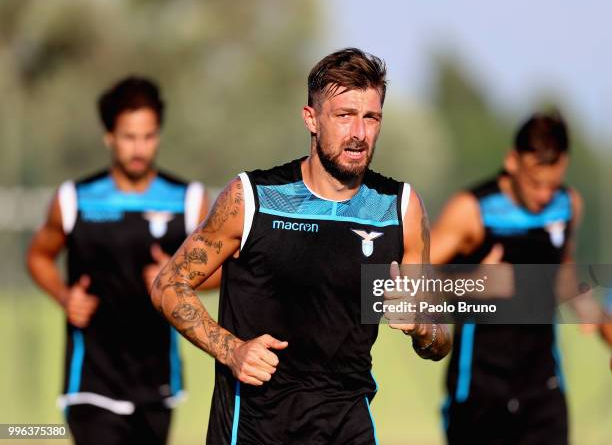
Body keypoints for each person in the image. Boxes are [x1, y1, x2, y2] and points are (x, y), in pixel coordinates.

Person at [151, 48, 451, 444]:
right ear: (311, 118)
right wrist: (231, 350)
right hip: (255, 429)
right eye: (344, 116)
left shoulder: (400, 209)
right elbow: (168, 285)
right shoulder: (251, 199)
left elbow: (440, 338)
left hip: (349, 426)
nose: (358, 133)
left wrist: (420, 327)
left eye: (371, 117)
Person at [26, 76, 217, 445]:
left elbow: (221, 272)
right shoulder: (75, 199)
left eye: (148, 137)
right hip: (91, 380)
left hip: (157, 379)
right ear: (109, 137)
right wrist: (65, 297)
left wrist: (175, 280)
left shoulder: (188, 201)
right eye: (129, 137)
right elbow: (38, 256)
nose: (139, 148)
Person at [431, 112, 585, 444]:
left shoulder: (567, 205)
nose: (545, 195)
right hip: (480, 393)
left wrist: (601, 324)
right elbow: (405, 283)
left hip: (543, 390)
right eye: (535, 182)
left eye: (553, 183)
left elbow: (566, 276)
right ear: (513, 161)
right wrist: (473, 283)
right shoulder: (471, 211)